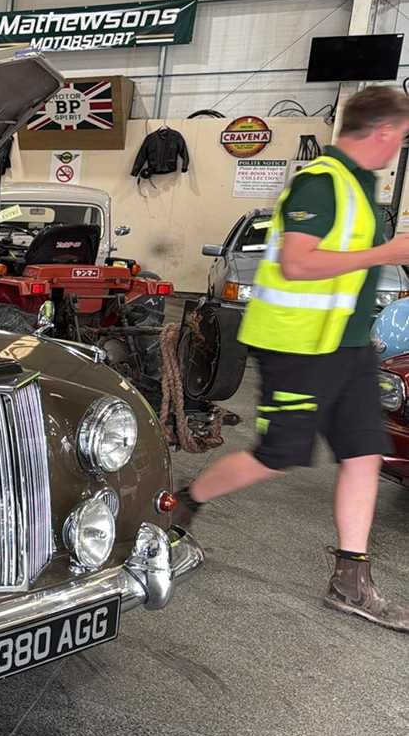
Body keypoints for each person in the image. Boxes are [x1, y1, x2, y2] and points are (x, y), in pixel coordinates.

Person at [175, 85, 409, 632]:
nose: (399, 146)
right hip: (299, 347)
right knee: (276, 456)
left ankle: (351, 581)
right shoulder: (320, 182)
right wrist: (388, 251)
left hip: (350, 344)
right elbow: (299, 264)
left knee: (365, 453)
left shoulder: (361, 185)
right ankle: (184, 502)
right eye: (400, 136)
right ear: (381, 132)